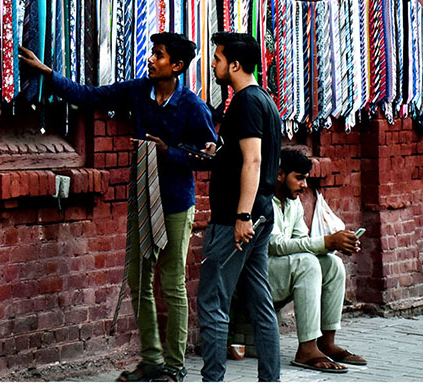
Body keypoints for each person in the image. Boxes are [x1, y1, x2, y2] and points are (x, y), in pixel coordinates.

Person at [19, 34, 217, 382]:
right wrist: (47, 73)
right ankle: (152, 361)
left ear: (177, 66)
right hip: (142, 198)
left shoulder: (193, 107)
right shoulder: (139, 91)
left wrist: (167, 152)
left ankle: (174, 366)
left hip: (175, 203)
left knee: (171, 285)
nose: (150, 60)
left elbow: (208, 158)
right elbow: (91, 96)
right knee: (138, 280)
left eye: (158, 55)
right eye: (152, 53)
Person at [197, 32, 281, 382]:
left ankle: (212, 379)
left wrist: (241, 216)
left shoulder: (246, 102)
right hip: (260, 210)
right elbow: (244, 156)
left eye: (217, 59)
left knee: (213, 300)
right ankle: (270, 379)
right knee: (259, 302)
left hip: (239, 216)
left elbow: (254, 161)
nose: (213, 65)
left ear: (234, 64)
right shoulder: (263, 99)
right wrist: (220, 153)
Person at [269, 149, 366, 373]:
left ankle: (326, 341)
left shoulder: (293, 203)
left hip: (282, 269)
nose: (304, 185)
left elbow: (301, 241)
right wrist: (326, 242)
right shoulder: (263, 200)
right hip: (259, 275)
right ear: (280, 175)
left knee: (332, 264)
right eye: (299, 178)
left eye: (306, 179)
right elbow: (276, 245)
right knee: (308, 263)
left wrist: (334, 245)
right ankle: (306, 349)